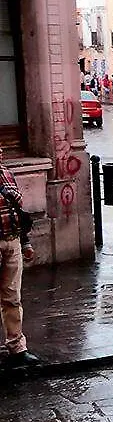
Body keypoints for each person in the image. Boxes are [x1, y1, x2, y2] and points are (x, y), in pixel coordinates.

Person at [0, 147, 38, 367]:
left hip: (12, 241)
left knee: (12, 297)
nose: (1, 151)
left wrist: (25, 243)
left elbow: (18, 213)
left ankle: (17, 348)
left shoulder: (7, 174)